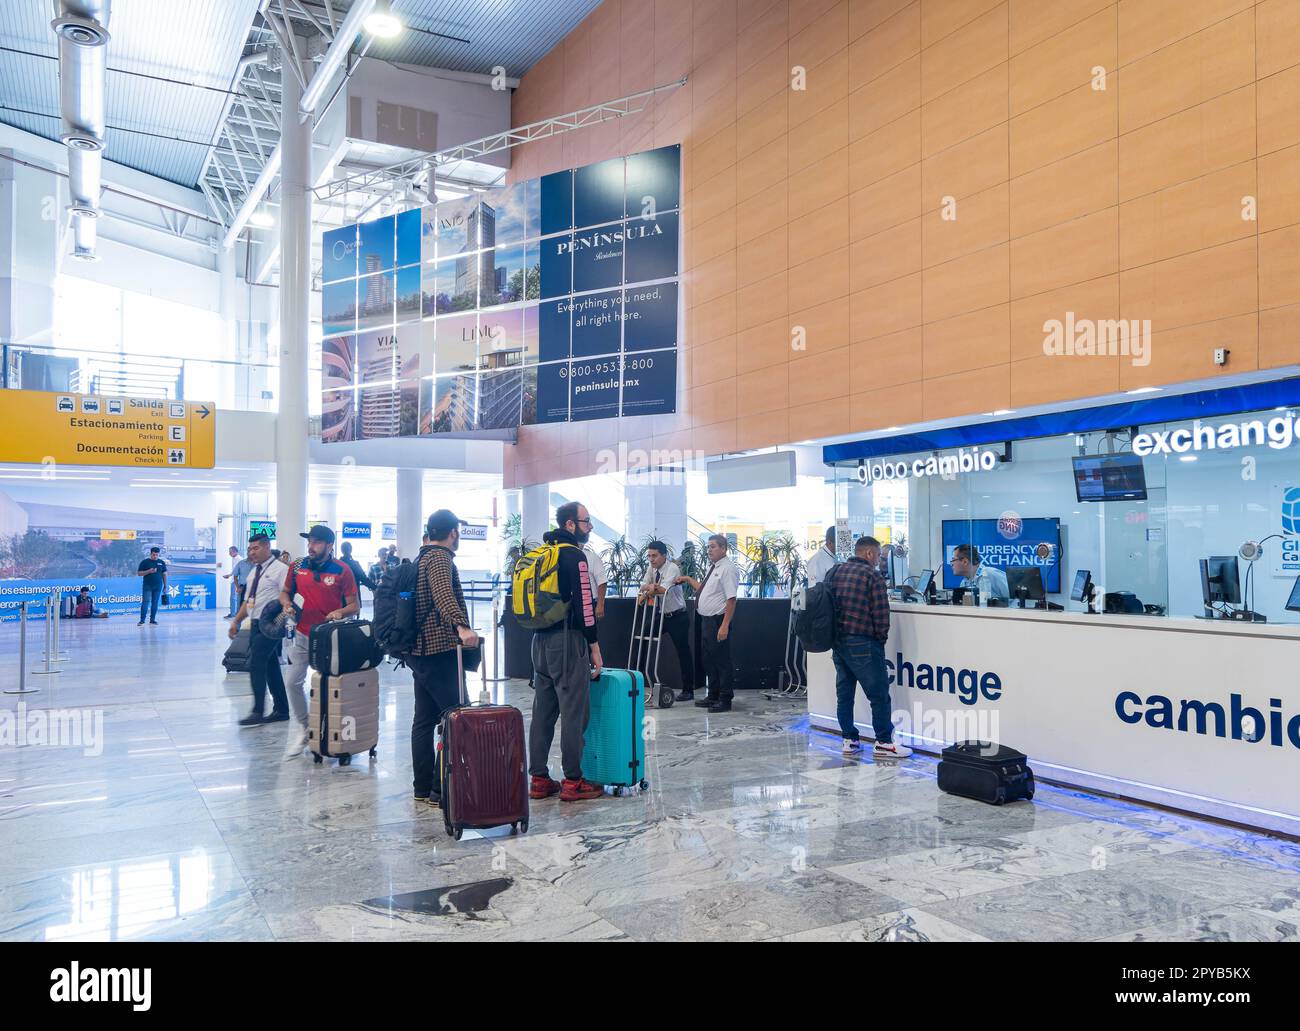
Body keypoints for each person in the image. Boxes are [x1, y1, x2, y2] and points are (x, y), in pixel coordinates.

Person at [527, 501, 605, 803]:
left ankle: (538, 779)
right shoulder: (574, 556)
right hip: (567, 642)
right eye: (586, 522)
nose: (589, 527)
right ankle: (573, 781)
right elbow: (586, 607)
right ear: (570, 524)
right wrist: (594, 646)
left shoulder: (540, 554)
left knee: (542, 713)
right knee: (574, 712)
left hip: (539, 643)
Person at [407, 510, 479, 808]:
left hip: (419, 653)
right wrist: (462, 626)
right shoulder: (439, 558)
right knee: (456, 716)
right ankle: (440, 789)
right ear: (452, 533)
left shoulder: (420, 557)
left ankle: (422, 788)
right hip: (438, 651)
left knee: (424, 720)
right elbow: (443, 595)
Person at [276, 524, 359, 760]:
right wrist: (286, 604)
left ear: (329, 545)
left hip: (329, 638)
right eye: (309, 541)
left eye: (316, 542)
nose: (311, 546)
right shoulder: (298, 566)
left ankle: (339, 736)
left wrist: (339, 613)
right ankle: (305, 730)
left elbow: (355, 606)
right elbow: (285, 592)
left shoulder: (342, 570)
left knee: (332, 688)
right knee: (292, 683)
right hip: (302, 634)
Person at [826, 536, 911, 759]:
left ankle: (849, 740)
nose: (879, 561)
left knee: (845, 694)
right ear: (870, 554)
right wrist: (879, 640)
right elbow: (881, 614)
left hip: (838, 641)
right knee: (879, 695)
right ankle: (883, 742)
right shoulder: (872, 576)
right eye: (879, 556)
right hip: (863, 641)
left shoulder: (835, 571)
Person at [228, 532, 290, 728]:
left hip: (271, 624)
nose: (252, 552)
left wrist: (282, 621)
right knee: (270, 665)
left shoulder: (281, 569)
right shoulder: (255, 571)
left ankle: (257, 710)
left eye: (256, 548)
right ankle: (281, 709)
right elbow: (248, 601)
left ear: (267, 547)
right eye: (249, 549)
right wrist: (236, 622)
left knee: (256, 662)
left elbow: (286, 596)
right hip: (255, 624)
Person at [675, 533, 738, 713]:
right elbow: (702, 590)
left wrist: (724, 625)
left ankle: (725, 699)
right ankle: (714, 695)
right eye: (708, 546)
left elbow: (731, 600)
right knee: (709, 659)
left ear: (724, 549)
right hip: (706, 621)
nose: (709, 550)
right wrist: (687, 579)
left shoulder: (727, 568)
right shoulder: (715, 567)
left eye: (713, 546)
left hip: (718, 620)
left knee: (721, 661)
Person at [639, 540, 695, 701]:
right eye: (649, 556)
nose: (651, 559)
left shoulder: (672, 568)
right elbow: (644, 584)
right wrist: (649, 589)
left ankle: (688, 690)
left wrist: (649, 589)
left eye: (654, 556)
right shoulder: (652, 568)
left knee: (682, 651)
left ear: (664, 555)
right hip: (662, 615)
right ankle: (640, 678)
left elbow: (662, 589)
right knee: (642, 637)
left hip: (678, 616)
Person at [136, 546, 167, 626]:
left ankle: (152, 620)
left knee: (155, 603)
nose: (155, 556)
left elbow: (164, 574)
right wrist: (149, 571)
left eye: (157, 555)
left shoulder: (161, 562)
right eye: (153, 555)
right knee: (145, 602)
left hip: (158, 586)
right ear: (150, 554)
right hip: (147, 586)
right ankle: (142, 620)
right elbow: (139, 573)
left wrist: (165, 585)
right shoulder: (145, 562)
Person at [581, 536, 609, 619]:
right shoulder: (564, 555)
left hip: (589, 603)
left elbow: (602, 582)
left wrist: (600, 605)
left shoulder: (592, 557)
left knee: (589, 630)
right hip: (569, 603)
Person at [223, 545, 253, 618]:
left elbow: (237, 573)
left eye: (231, 552)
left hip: (240, 582)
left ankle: (235, 613)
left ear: (235, 551)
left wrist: (230, 576)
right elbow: (235, 571)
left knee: (234, 598)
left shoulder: (239, 559)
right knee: (235, 598)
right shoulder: (236, 560)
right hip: (235, 581)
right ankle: (234, 613)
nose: (229, 553)